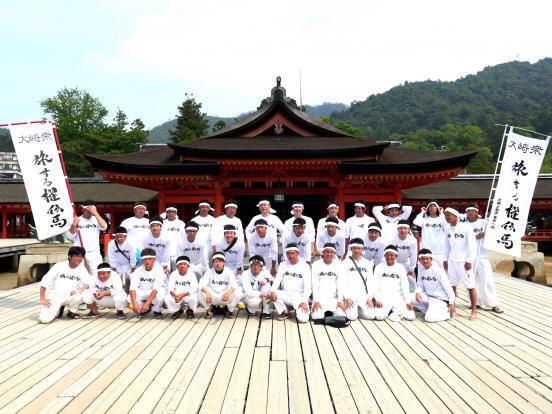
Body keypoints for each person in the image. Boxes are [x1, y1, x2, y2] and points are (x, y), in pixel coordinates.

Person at [464, 204, 503, 313]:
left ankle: (493, 304)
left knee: (487, 281)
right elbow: (461, 239)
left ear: (477, 212)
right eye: (468, 211)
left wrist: (486, 233)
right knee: (470, 282)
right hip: (469, 257)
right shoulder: (464, 225)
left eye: (472, 211)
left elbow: (495, 230)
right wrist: (476, 237)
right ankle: (475, 302)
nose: (470, 213)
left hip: (482, 257)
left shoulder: (484, 223)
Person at [443, 206, 478, 320]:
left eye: (448, 215)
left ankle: (474, 311)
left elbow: (472, 245)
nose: (446, 217)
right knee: (452, 286)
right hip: (452, 261)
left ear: (456, 216)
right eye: (445, 215)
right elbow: (446, 246)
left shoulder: (466, 228)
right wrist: (445, 259)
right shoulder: (447, 229)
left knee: (470, 286)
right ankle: (452, 310)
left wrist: (469, 260)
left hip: (464, 262)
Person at [38, 246, 90, 323]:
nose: (79, 259)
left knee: (79, 295)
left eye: (81, 257)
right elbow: (45, 280)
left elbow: (88, 283)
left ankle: (72, 311)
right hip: (56, 296)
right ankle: (59, 309)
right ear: (69, 256)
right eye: (76, 256)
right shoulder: (59, 266)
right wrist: (42, 298)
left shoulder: (82, 268)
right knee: (44, 320)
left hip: (71, 296)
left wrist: (79, 290)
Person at [270, 243, 311, 322]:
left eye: (292, 253)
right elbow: (277, 279)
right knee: (270, 292)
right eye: (288, 253)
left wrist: (304, 301)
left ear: (298, 253)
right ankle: (285, 311)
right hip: (286, 294)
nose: (290, 255)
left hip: (299, 296)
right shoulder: (283, 264)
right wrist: (272, 291)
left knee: (303, 319)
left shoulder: (305, 266)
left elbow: (308, 287)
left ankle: (295, 307)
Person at [374, 245, 415, 321]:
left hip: (397, 297)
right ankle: (394, 312)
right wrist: (378, 299)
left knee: (411, 316)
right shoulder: (379, 267)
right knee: (379, 316)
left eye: (392, 255)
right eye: (387, 255)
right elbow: (375, 285)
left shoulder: (401, 268)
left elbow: (405, 286)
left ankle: (393, 313)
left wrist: (408, 302)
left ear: (396, 256)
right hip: (384, 297)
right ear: (384, 255)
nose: (389, 257)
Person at [413, 249, 456, 322]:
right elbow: (420, 285)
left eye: (427, 259)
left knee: (429, 319)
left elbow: (448, 287)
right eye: (422, 259)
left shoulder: (438, 270)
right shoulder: (420, 269)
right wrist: (418, 292)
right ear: (419, 260)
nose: (425, 261)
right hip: (429, 297)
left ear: (431, 259)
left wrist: (451, 303)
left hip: (440, 299)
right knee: (411, 298)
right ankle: (431, 311)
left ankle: (447, 313)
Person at [66, 199, 108, 274]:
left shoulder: (96, 219)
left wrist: (95, 213)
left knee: (96, 273)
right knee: (79, 273)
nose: (90, 213)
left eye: (92, 212)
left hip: (94, 252)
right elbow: (70, 237)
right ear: (83, 210)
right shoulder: (77, 220)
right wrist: (74, 225)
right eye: (88, 211)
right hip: (79, 252)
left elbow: (104, 227)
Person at [342, 238, 378, 320]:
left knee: (371, 315)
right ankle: (354, 310)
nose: (356, 250)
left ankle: (358, 309)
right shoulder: (344, 263)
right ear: (351, 249)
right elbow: (342, 282)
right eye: (354, 248)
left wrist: (369, 298)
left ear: (362, 249)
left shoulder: (367, 263)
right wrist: (347, 297)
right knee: (351, 317)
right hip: (350, 295)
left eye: (358, 248)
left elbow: (370, 282)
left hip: (363, 295)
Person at [311, 243, 346, 321]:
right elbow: (314, 284)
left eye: (331, 252)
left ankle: (327, 317)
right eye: (327, 251)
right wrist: (316, 300)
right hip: (320, 299)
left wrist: (340, 301)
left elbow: (340, 284)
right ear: (323, 252)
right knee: (316, 317)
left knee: (342, 317)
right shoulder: (316, 264)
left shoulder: (339, 265)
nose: (329, 254)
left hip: (333, 299)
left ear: (334, 253)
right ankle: (329, 316)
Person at [199, 252, 240, 318]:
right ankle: (209, 309)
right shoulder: (209, 272)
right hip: (212, 296)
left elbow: (234, 284)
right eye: (216, 261)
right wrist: (207, 292)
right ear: (213, 263)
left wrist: (228, 293)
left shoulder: (229, 271)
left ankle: (230, 310)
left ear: (224, 262)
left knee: (238, 291)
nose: (218, 263)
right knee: (200, 291)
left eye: (220, 261)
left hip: (225, 296)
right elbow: (201, 284)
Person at [128, 248, 166, 319]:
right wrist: (134, 303)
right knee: (129, 298)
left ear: (154, 259)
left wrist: (147, 303)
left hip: (156, 291)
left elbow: (156, 288)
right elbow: (132, 287)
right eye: (145, 259)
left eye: (149, 259)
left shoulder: (159, 270)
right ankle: (144, 310)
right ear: (142, 260)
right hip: (143, 291)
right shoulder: (138, 270)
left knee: (160, 296)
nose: (147, 261)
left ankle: (157, 311)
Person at [413, 200, 447, 267]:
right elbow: (416, 222)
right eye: (430, 206)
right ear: (427, 208)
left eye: (434, 206)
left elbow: (447, 226)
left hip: (439, 251)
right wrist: (422, 212)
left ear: (438, 208)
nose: (432, 207)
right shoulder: (424, 220)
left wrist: (442, 214)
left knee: (441, 271)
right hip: (426, 250)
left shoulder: (441, 219)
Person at [391, 219, 418, 291]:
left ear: (408, 230)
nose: (403, 230)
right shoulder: (392, 239)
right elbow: (390, 253)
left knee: (411, 281)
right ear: (398, 229)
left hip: (406, 263)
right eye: (401, 228)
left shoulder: (413, 240)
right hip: (395, 263)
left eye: (405, 228)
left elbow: (413, 255)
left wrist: (412, 269)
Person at [107, 226, 136, 292]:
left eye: (121, 236)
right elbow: (111, 258)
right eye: (117, 237)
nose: (119, 239)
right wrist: (114, 270)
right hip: (117, 265)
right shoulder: (111, 244)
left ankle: (129, 293)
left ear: (125, 236)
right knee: (116, 281)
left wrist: (132, 268)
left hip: (128, 265)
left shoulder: (130, 243)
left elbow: (133, 257)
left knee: (131, 280)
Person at [162, 205, 185, 270]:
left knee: (177, 271)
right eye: (169, 212)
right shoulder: (162, 223)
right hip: (165, 252)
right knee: (166, 271)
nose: (171, 213)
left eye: (173, 212)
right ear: (166, 213)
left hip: (177, 251)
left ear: (176, 213)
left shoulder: (181, 223)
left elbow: (184, 237)